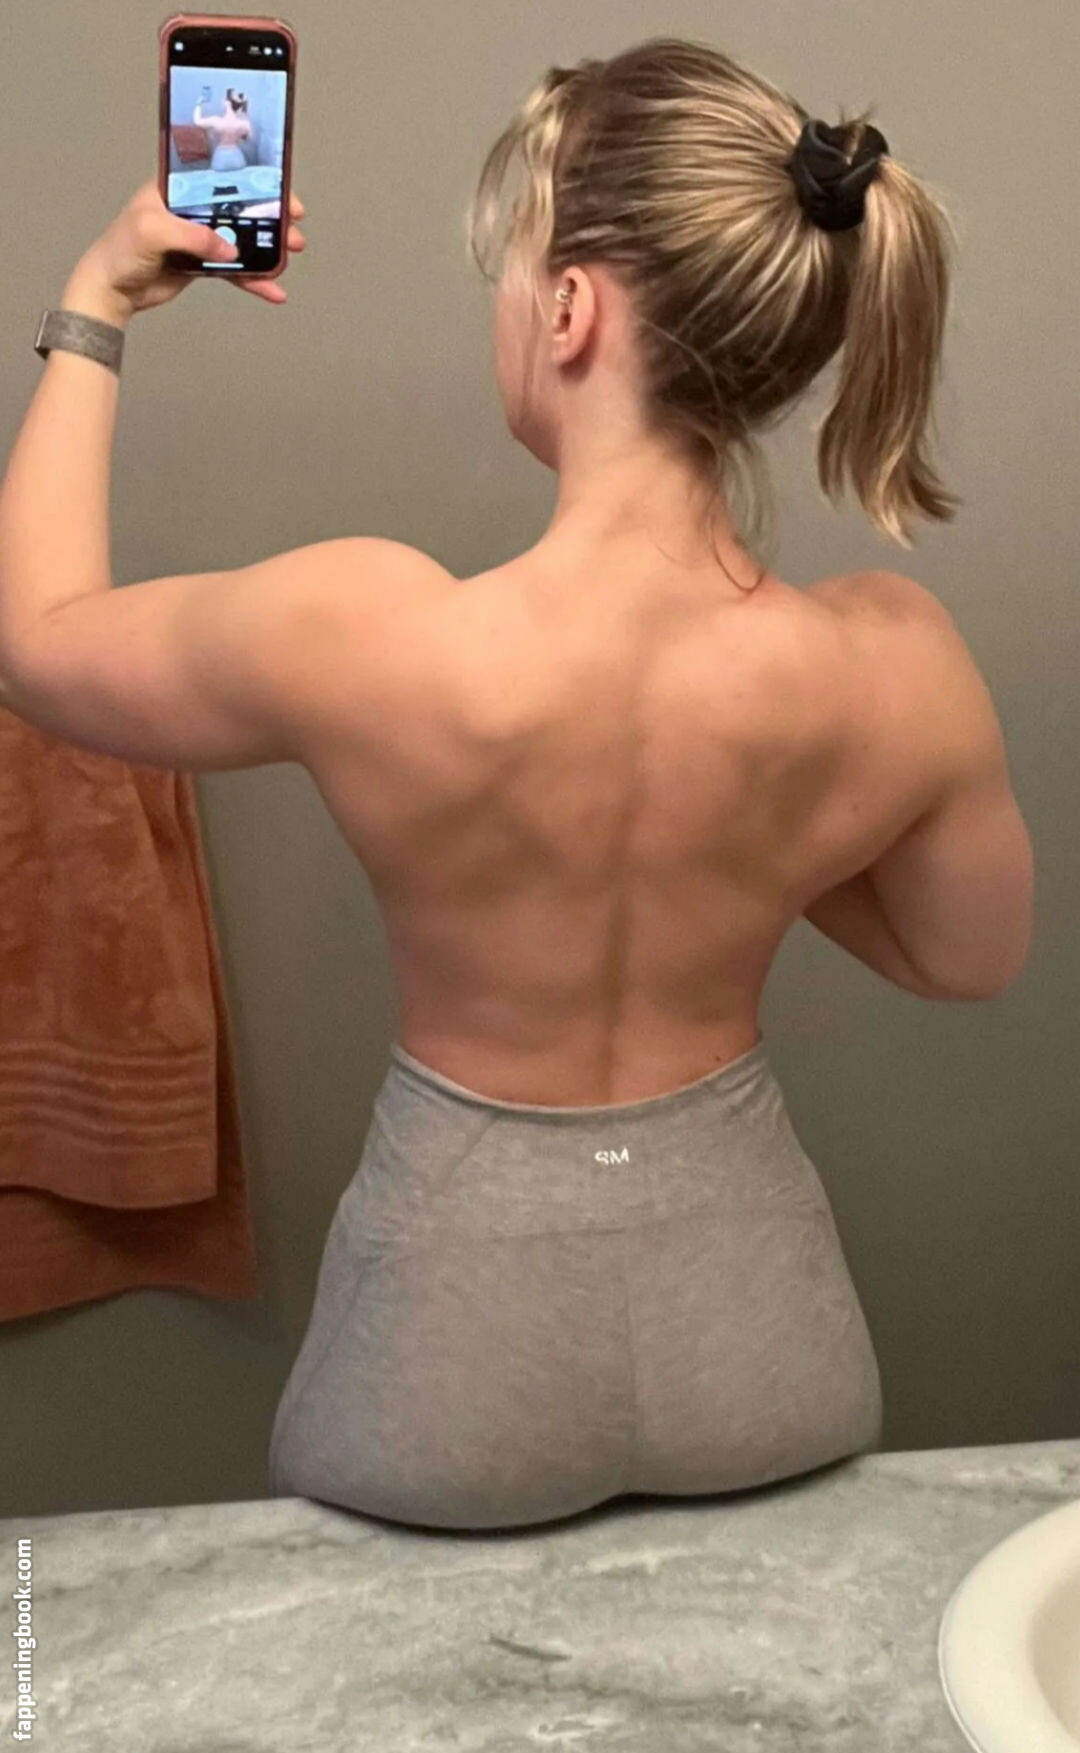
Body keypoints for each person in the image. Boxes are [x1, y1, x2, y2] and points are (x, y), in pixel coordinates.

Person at [268, 37, 1033, 1530]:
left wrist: (95, 308)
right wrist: (753, 830)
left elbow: (36, 639)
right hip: (762, 1341)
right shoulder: (890, 659)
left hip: (445, 1364)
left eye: (511, 269)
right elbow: (968, 958)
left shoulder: (372, 631)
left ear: (569, 308)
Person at [193, 87, 251, 173]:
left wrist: (199, 103)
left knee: (219, 180)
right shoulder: (245, 124)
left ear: (227, 103)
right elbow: (247, 138)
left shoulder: (216, 121)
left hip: (220, 158)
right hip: (237, 158)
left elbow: (197, 121)